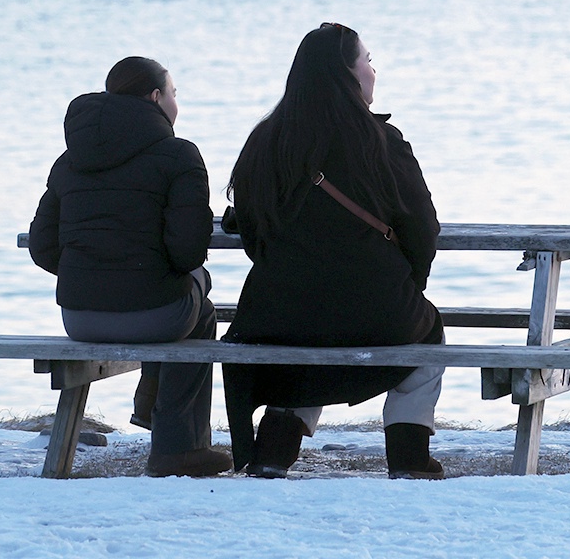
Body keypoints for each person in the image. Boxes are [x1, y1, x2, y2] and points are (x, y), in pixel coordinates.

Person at [222, 24, 446, 479]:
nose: (373, 70)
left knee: (303, 345)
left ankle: (273, 453)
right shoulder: (380, 141)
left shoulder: (265, 141)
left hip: (277, 313)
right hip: (376, 309)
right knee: (427, 337)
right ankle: (409, 457)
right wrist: (409, 284)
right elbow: (422, 227)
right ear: (347, 73)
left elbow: (251, 229)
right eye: (368, 60)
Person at [28, 56, 229, 478]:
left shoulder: (70, 159)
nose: (176, 103)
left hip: (79, 318)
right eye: (174, 93)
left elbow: (43, 246)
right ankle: (176, 447)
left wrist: (90, 272)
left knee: (183, 294)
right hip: (155, 316)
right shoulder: (179, 155)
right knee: (200, 296)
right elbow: (188, 252)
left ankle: (154, 411)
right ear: (155, 98)